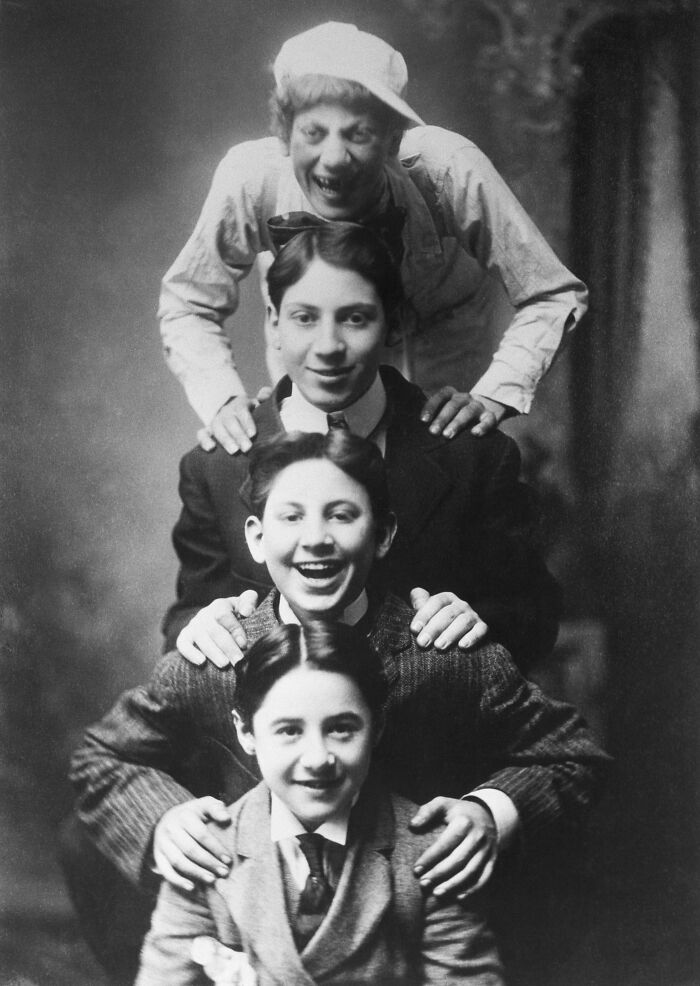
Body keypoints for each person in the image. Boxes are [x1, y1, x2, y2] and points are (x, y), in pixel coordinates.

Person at [67, 430, 608, 983]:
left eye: (342, 515)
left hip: (414, 913)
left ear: (383, 533)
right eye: (292, 517)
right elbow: (101, 757)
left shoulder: (442, 652)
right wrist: (163, 820)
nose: (316, 540)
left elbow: (574, 755)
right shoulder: (219, 655)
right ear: (255, 537)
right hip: (256, 911)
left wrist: (491, 813)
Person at [159, 21, 588, 455]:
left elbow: (552, 294)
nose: (333, 160)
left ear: (392, 140)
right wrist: (223, 399)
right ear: (285, 133)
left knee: (433, 496)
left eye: (358, 133)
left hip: (439, 381)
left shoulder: (448, 170)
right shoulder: (251, 179)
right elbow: (187, 301)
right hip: (317, 382)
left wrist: (494, 394)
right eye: (313, 132)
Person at [165, 222, 561, 670]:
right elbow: (185, 616)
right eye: (304, 317)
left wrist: (479, 622)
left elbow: (534, 614)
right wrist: (200, 629)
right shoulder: (216, 467)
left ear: (393, 323)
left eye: (355, 318)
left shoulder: (471, 455)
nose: (328, 347)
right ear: (275, 323)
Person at [135, 621, 505, 986]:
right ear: (246, 732)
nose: (317, 758)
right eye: (289, 731)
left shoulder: (431, 851)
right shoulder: (205, 849)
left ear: (376, 729)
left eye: (341, 728)